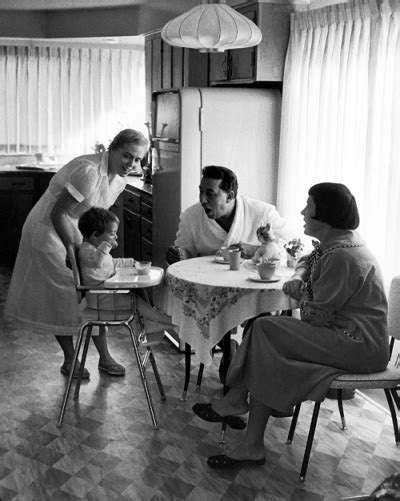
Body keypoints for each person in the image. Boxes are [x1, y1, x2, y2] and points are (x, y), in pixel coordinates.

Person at [192, 182, 390, 469]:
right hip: (345, 336)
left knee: (264, 329)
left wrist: (302, 293)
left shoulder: (343, 257)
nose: (302, 211)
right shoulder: (339, 244)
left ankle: (238, 403)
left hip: (359, 346)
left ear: (326, 214)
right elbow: (307, 260)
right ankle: (248, 435)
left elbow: (314, 316)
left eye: (308, 206)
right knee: (266, 342)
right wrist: (298, 276)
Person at [4, 129, 149, 378]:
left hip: (77, 229)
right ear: (112, 148)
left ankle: (104, 357)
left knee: (93, 289)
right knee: (63, 294)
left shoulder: (119, 180)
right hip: (49, 231)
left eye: (137, 159)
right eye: (127, 156)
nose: (132, 164)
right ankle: (70, 359)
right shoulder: (88, 172)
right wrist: (76, 253)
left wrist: (98, 245)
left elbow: (96, 218)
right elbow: (58, 214)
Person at [78, 207, 173, 340]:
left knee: (139, 290)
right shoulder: (86, 250)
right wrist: (106, 245)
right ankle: (157, 318)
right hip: (100, 298)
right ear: (94, 235)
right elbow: (97, 262)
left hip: (106, 294)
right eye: (112, 234)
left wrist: (131, 262)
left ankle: (149, 319)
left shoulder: (97, 250)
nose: (116, 237)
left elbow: (112, 263)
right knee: (135, 300)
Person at [166, 165, 295, 264]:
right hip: (207, 285)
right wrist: (181, 255)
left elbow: (294, 248)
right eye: (201, 192)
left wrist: (256, 250)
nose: (202, 200)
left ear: (230, 196)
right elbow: (184, 251)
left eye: (210, 194)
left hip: (252, 285)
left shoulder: (262, 213)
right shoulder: (191, 216)